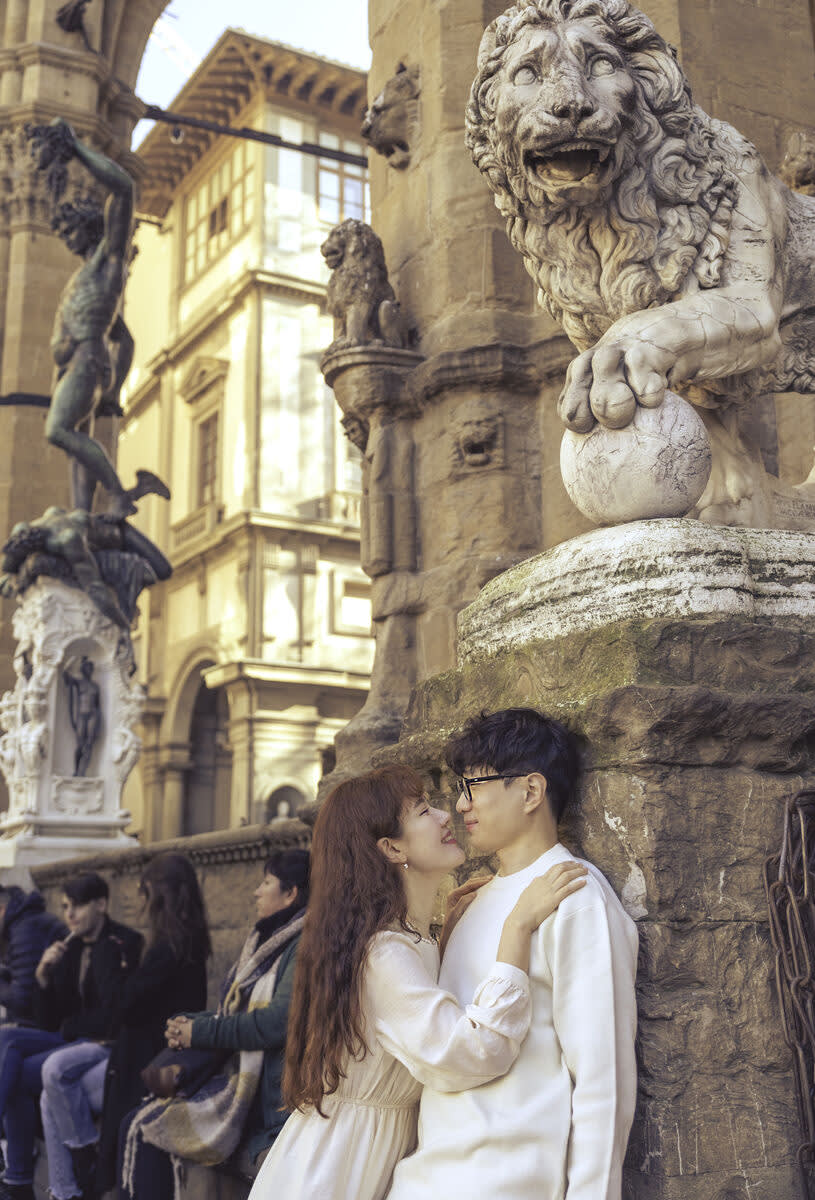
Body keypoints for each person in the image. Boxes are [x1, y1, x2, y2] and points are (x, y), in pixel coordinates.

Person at [247, 764, 587, 1200]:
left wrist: (446, 938)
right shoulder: (384, 952)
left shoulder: (407, 941)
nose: (447, 814)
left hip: (357, 1154)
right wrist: (517, 928)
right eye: (424, 811)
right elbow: (469, 1052)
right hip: (335, 1169)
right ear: (391, 848)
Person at [387, 708, 639, 1200]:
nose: (461, 805)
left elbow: (603, 1080)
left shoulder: (575, 895)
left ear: (530, 791)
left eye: (473, 786)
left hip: (507, 1184)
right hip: (424, 1180)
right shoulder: (472, 902)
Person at [118, 848, 311, 1198]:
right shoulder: (267, 941)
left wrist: (199, 1031)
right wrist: (189, 1024)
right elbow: (235, 1012)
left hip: (267, 1103)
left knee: (145, 1128)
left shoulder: (301, 945)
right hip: (242, 1080)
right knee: (137, 1120)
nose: (256, 891)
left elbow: (274, 1023)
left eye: (266, 882)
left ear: (291, 893)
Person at [0, 872, 142, 1200]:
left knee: (19, 1060)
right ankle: (19, 1178)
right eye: (65, 907)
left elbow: (113, 1015)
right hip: (70, 1040)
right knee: (9, 1052)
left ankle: (39, 1175)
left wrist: (70, 1026)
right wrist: (43, 977)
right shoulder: (70, 947)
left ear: (101, 905)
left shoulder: (123, 942)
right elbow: (49, 1019)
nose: (70, 914)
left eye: (77, 906)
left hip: (102, 1044)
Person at [93, 852, 211, 1197]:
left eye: (145, 893)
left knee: (132, 1155)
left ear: (159, 896)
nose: (142, 903)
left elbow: (123, 1004)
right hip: (157, 1060)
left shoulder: (169, 948)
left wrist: (108, 961)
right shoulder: (187, 941)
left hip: (147, 1066)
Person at [0, 886, 66, 1024]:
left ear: (1, 910)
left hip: (54, 1025)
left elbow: (23, 1002)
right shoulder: (23, 923)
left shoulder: (26, 931)